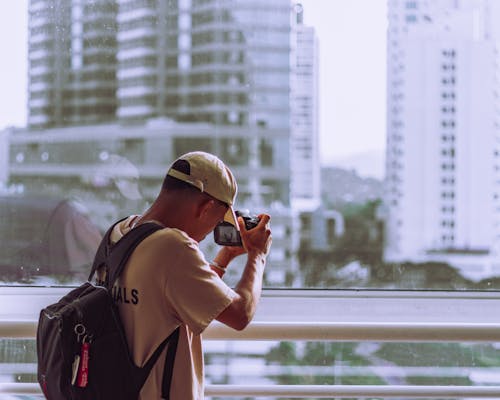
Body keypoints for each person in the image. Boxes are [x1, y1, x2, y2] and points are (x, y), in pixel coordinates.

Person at [98, 151, 272, 399]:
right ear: (206, 207)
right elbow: (240, 314)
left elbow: (174, 294)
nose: (212, 230)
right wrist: (258, 255)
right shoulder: (175, 247)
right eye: (217, 220)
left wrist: (224, 258)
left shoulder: (120, 232)